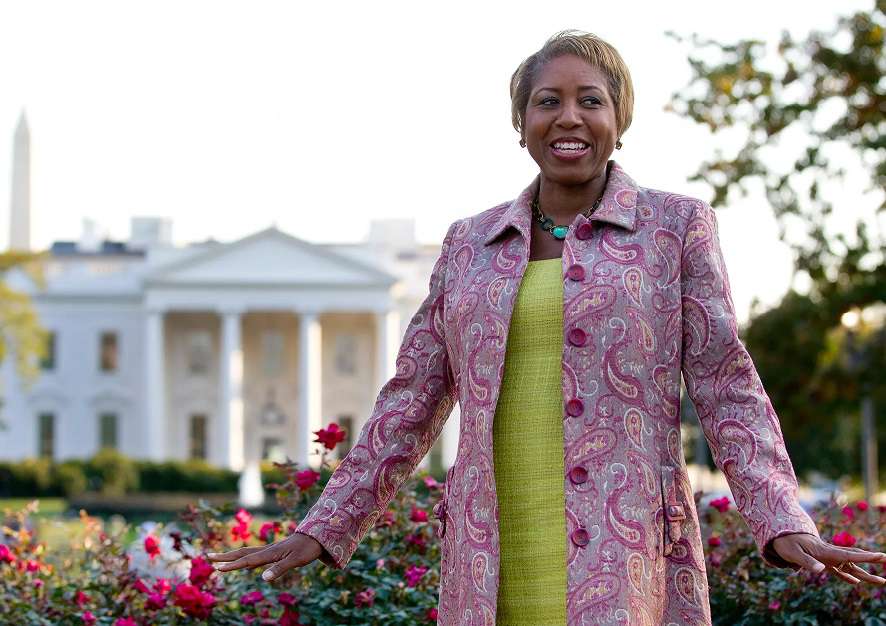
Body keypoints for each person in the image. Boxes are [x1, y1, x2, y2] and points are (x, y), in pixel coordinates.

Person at [208, 30, 886, 624]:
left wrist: (781, 518)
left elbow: (726, 385)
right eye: (547, 101)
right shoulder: (469, 243)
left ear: (620, 119)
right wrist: (328, 525)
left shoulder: (675, 228)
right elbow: (412, 398)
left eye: (591, 100)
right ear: (521, 122)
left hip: (629, 557)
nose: (569, 117)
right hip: (489, 559)